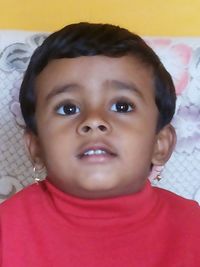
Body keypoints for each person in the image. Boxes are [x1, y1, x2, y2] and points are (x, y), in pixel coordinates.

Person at [0, 22, 200, 267]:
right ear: (36, 147)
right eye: (68, 108)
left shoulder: (193, 229)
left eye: (122, 106)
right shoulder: (6, 229)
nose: (94, 120)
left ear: (160, 144)